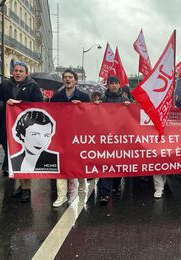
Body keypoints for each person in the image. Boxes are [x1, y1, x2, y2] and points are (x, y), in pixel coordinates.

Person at [0, 61, 44, 202]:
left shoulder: (33, 86)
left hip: (27, 127)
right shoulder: (5, 85)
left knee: (24, 155)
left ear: (26, 73)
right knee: (13, 156)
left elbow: (38, 104)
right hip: (8, 126)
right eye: (16, 70)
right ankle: (21, 185)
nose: (17, 73)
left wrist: (20, 104)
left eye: (21, 71)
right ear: (12, 72)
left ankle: (26, 189)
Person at [50, 69, 90, 207]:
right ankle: (61, 195)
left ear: (75, 80)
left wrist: (82, 107)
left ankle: (82, 186)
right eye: (65, 77)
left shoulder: (84, 97)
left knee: (78, 162)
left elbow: (90, 116)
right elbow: (51, 114)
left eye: (70, 77)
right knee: (61, 164)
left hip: (78, 135)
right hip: (61, 135)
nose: (67, 79)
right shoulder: (56, 97)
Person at [95, 76, 131, 204]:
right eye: (111, 83)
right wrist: (97, 105)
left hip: (120, 137)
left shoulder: (125, 99)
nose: (114, 85)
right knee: (105, 164)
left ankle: (116, 186)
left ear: (119, 85)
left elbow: (131, 117)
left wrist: (129, 106)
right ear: (108, 85)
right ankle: (104, 193)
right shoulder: (103, 99)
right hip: (106, 137)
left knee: (118, 163)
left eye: (116, 83)